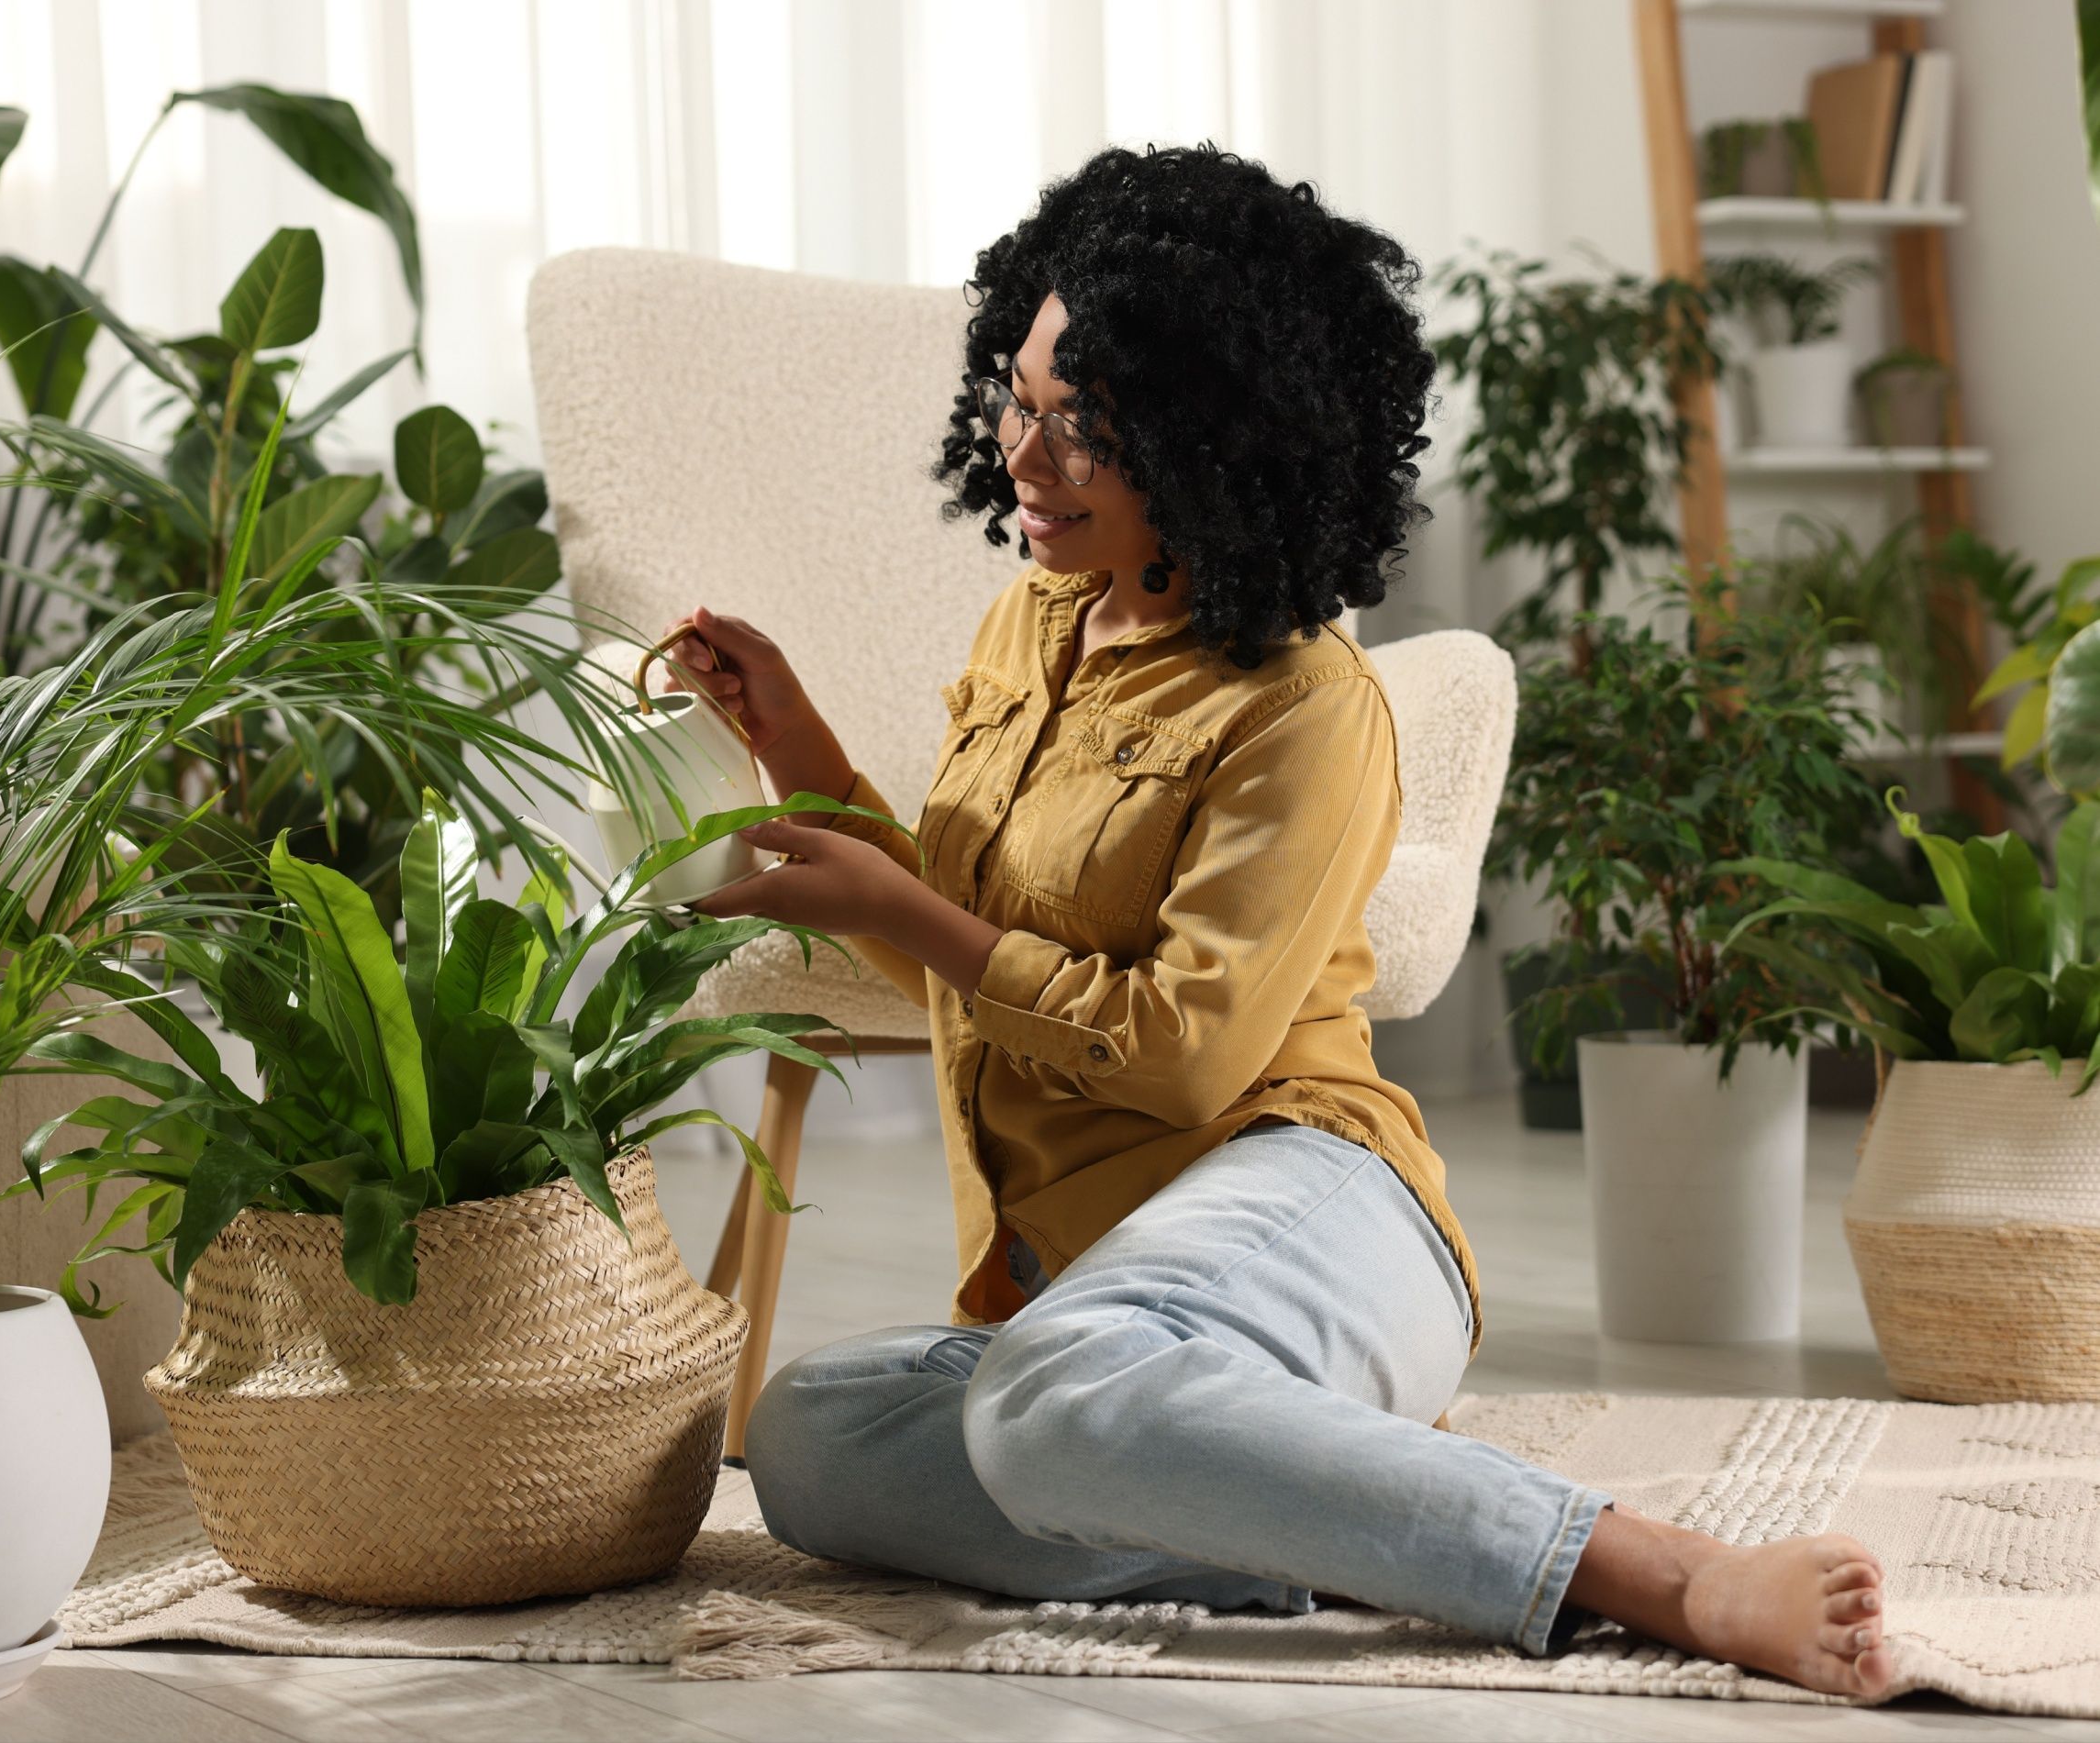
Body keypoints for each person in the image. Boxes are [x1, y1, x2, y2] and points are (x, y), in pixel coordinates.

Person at [661, 142, 1891, 1698]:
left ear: (1210, 435)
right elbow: (952, 928)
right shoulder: (1033, 619)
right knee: (813, 1448)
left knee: (1044, 1409)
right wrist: (798, 747)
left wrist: (909, 904)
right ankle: (1305, 1504)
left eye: (1077, 423)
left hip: (1307, 1202)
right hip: (1097, 1293)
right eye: (1017, 400)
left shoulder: (1306, 703)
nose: (1023, 454)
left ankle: (1666, 1574)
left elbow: (1179, 1057)